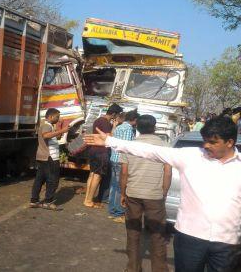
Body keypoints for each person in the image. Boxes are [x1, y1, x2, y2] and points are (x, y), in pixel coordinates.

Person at [84, 116, 241, 271]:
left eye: (213, 142)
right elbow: (150, 151)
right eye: (205, 140)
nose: (206, 145)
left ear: (229, 142)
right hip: (190, 237)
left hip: (227, 242)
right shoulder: (190, 156)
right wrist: (110, 142)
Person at [119, 115, 171, 271]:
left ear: (137, 127)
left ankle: (133, 268)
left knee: (133, 232)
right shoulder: (164, 146)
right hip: (154, 195)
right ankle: (160, 269)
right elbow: (167, 173)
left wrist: (123, 193)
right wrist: (164, 192)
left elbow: (124, 173)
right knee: (158, 235)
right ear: (154, 127)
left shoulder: (129, 146)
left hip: (133, 193)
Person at [83, 103, 123, 208]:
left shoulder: (98, 120)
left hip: (93, 150)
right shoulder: (105, 122)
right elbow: (109, 137)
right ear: (114, 114)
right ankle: (89, 201)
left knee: (92, 175)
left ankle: (87, 199)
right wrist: (114, 127)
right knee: (97, 176)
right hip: (101, 152)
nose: (117, 117)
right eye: (117, 114)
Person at [30, 108, 69, 210]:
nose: (58, 119)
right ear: (51, 117)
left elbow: (50, 137)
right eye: (57, 117)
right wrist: (62, 130)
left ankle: (34, 201)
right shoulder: (46, 125)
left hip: (44, 156)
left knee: (39, 179)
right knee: (52, 180)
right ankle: (48, 202)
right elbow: (46, 135)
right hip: (49, 157)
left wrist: (59, 132)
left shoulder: (48, 125)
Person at [108, 110, 139, 223]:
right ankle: (118, 212)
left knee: (114, 186)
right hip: (121, 161)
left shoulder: (119, 127)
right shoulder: (127, 129)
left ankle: (112, 210)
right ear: (134, 120)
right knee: (120, 187)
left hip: (114, 158)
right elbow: (125, 147)